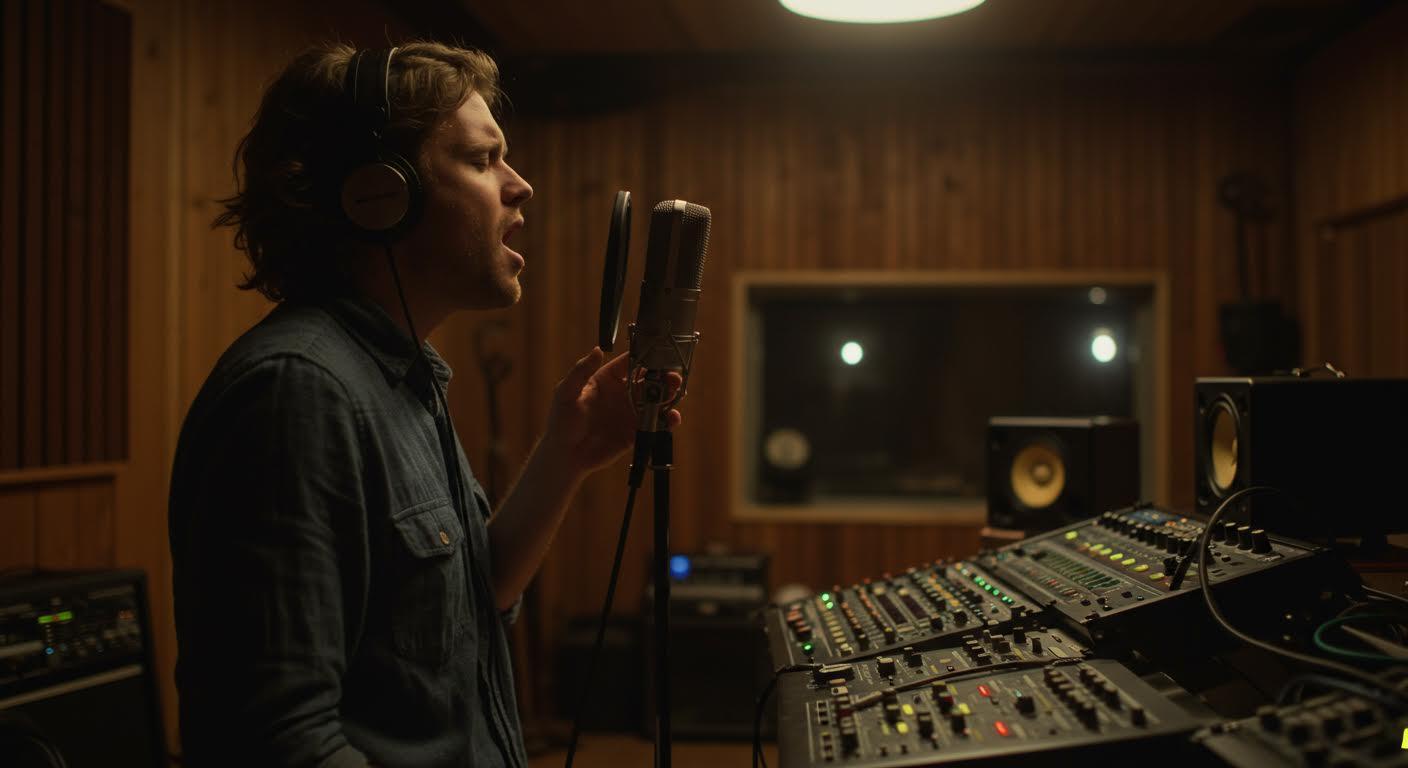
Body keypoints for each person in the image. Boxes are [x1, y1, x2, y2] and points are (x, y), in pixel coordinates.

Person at [168, 41, 678, 768]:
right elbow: (279, 742)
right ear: (381, 196)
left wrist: (570, 451)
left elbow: (474, 599)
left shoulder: (400, 379)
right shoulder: (297, 393)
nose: (520, 185)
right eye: (480, 159)